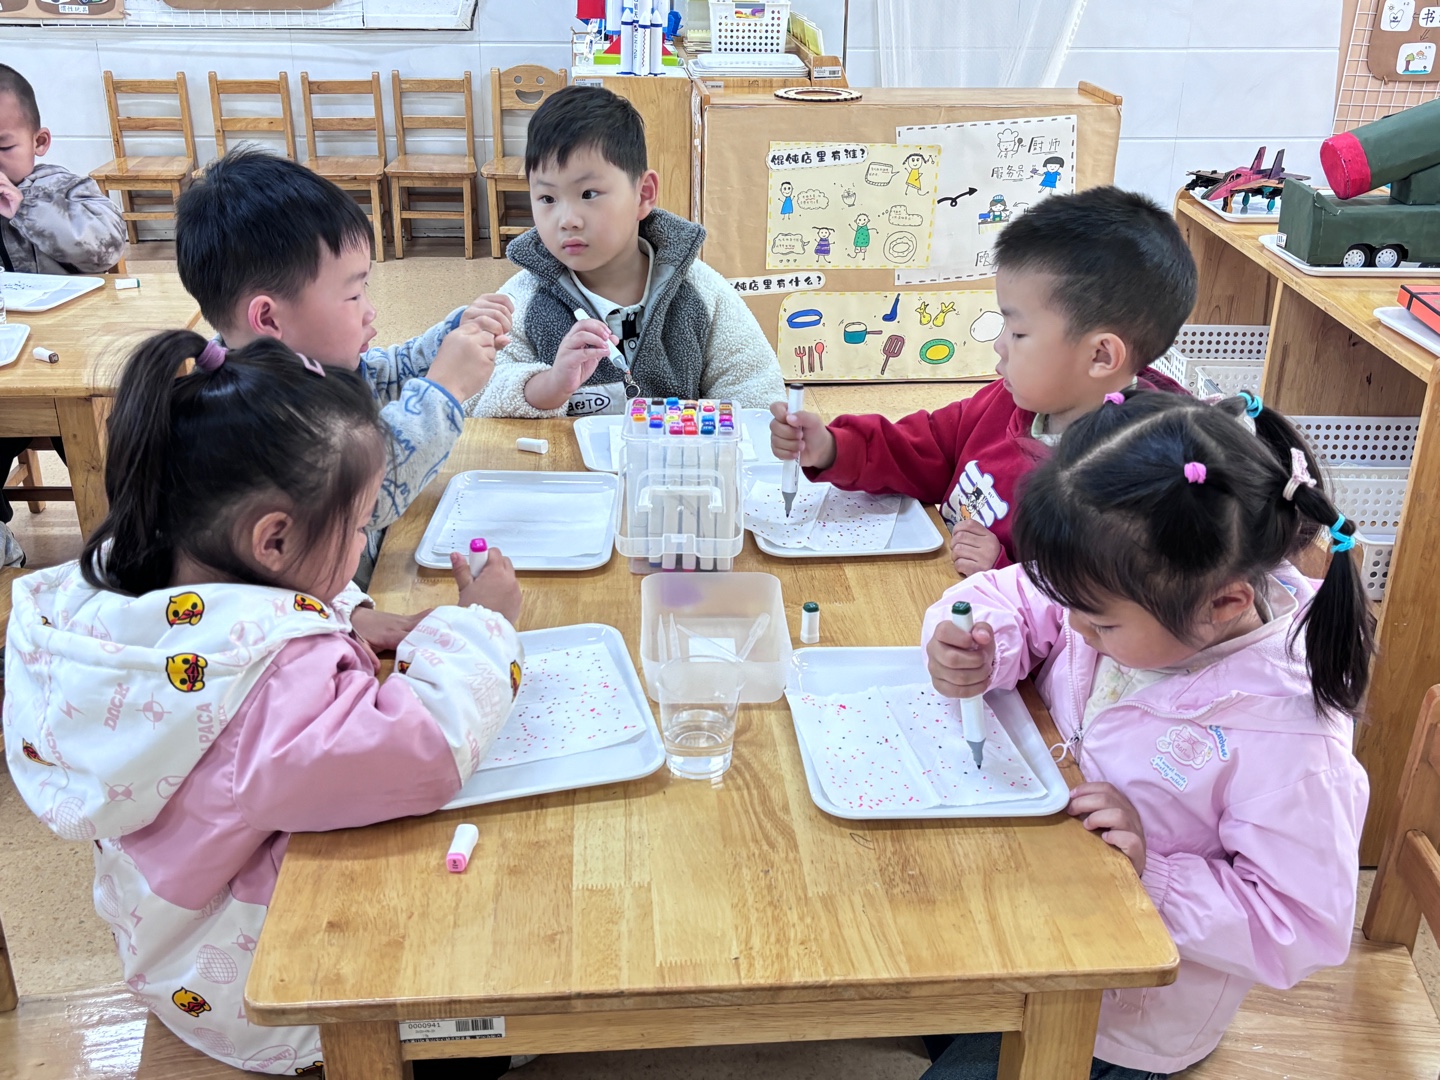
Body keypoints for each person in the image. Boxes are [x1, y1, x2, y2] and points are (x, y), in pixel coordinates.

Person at [3, 329, 529, 1077]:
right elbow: (418, 751)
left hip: (167, 936)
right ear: (273, 540)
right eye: (357, 527)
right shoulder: (269, 683)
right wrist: (484, 628)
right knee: (489, 991)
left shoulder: (123, 578)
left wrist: (348, 612)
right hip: (258, 986)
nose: (360, 542)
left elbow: (239, 610)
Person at [920, 390, 1371, 1079]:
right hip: (1028, 909)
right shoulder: (1120, 577)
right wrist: (981, 644)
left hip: (1117, 1016)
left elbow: (1300, 925)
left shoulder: (1293, 740)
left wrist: (1149, 872)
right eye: (1069, 605)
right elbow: (1013, 597)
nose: (1073, 628)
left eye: (1099, 623)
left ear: (1224, 604)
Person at [770, 187, 1194, 578]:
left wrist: (1004, 570)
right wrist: (832, 447)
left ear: (1100, 356)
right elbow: (925, 448)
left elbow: (1103, 610)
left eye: (1019, 333)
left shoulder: (1133, 482)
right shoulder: (1010, 401)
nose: (999, 346)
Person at [174, 148, 514, 588]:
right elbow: (369, 495)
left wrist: (454, 332)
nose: (370, 310)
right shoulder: (246, 422)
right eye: (353, 296)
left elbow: (386, 374)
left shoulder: (314, 367)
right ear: (269, 319)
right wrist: (444, 389)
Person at [469, 85, 783, 419]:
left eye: (588, 194)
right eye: (547, 198)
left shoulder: (701, 293)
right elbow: (472, 396)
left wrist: (769, 431)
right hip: (562, 456)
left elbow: (755, 393)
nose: (567, 220)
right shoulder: (522, 301)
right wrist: (548, 386)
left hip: (677, 454)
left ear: (643, 194)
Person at [0, 63, 127, 566]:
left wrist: (25, 209)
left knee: (101, 449)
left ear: (39, 141)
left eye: (3, 147)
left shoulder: (64, 189)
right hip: (7, 367)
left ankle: (123, 532)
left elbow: (105, 246)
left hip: (73, 360)